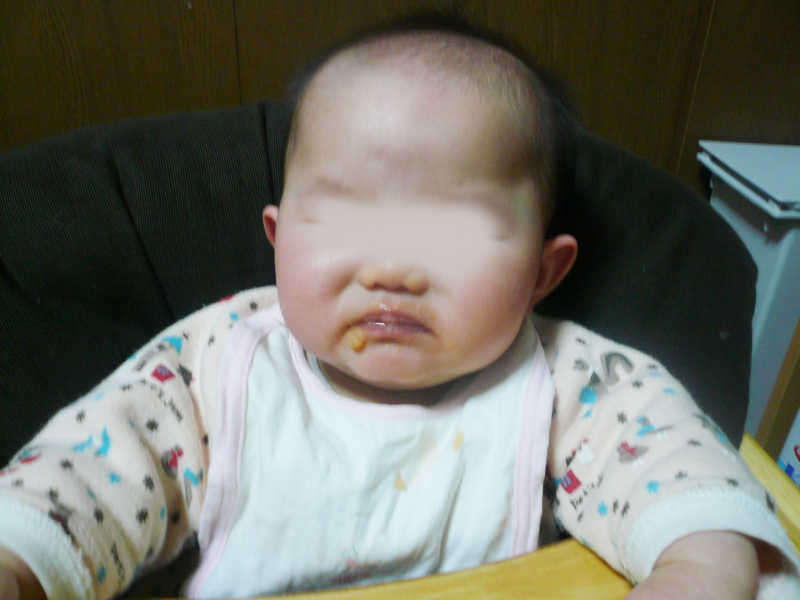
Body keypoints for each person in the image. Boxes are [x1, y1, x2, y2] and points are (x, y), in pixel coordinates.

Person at [0, 14, 798, 600]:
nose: (392, 269)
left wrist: (699, 567)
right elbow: (84, 483)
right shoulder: (217, 362)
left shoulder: (572, 380)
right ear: (277, 239)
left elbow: (684, 481)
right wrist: (20, 563)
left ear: (542, 273)